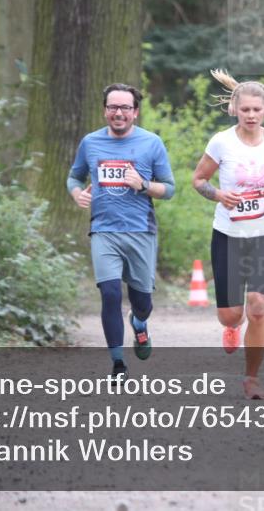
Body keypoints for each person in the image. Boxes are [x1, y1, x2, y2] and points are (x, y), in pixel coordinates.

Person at [192, 69, 264, 400]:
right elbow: (198, 180)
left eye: (256, 109)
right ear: (234, 110)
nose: (250, 115)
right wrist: (218, 195)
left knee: (258, 306)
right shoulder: (221, 142)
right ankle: (230, 327)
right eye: (245, 109)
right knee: (232, 313)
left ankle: (252, 377)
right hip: (228, 235)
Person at [68, 83, 175, 381]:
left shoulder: (151, 143)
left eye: (125, 108)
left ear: (135, 113)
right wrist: (77, 193)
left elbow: (169, 189)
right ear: (105, 110)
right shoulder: (90, 143)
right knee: (110, 293)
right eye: (113, 107)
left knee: (142, 302)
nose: (118, 113)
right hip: (104, 230)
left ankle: (139, 324)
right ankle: (118, 365)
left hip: (141, 230)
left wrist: (142, 184)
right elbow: (74, 177)